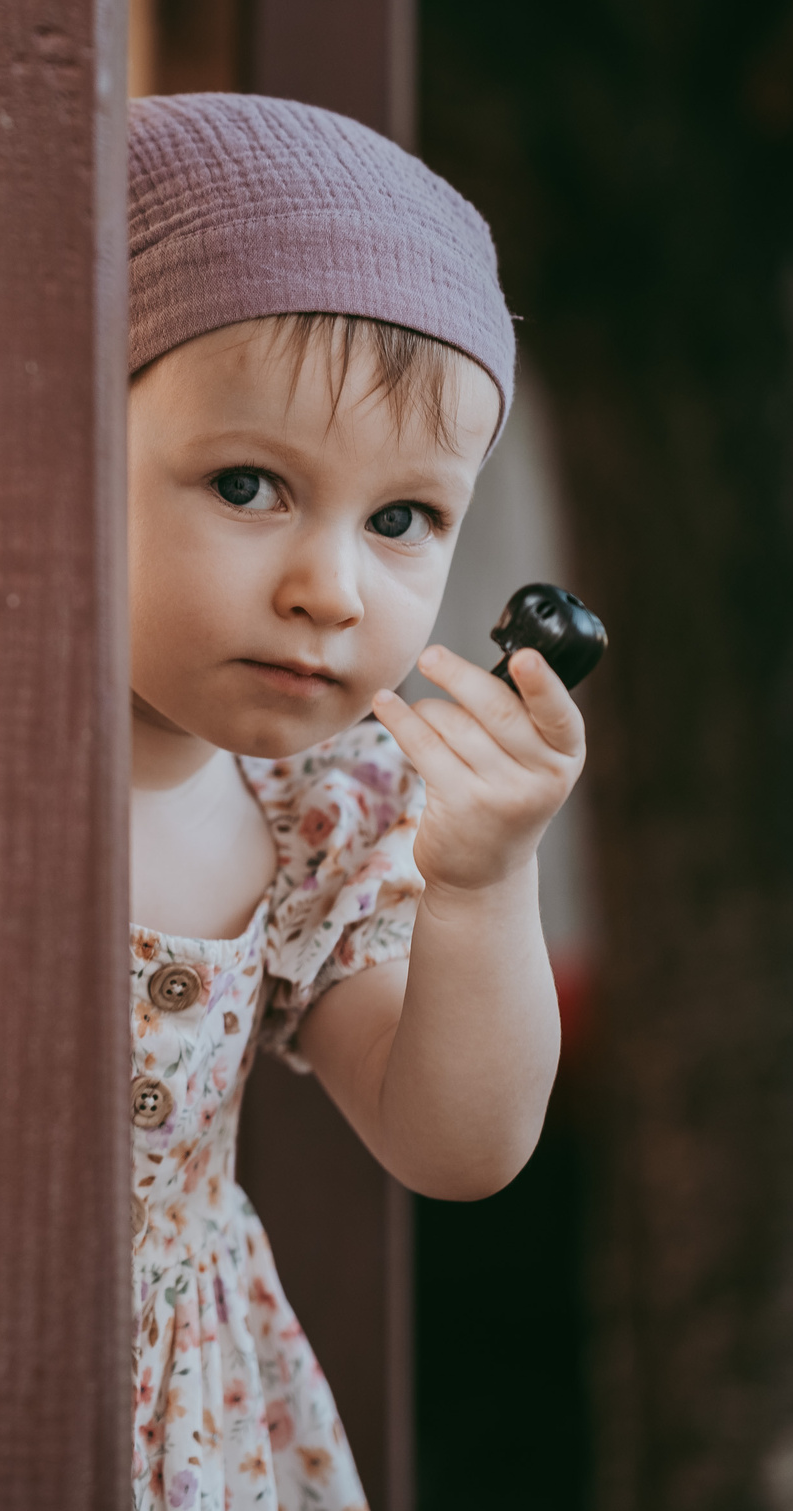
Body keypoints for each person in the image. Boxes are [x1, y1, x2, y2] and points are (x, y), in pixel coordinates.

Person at [126, 93, 580, 1510]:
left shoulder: (312, 803)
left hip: (163, 1425)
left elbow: (457, 1143)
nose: (332, 588)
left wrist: (484, 884)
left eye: (402, 521)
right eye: (250, 484)